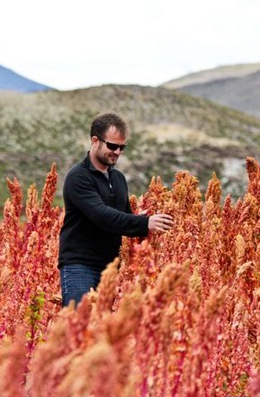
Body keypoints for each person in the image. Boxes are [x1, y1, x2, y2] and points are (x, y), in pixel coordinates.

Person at [58, 112, 174, 307]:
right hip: (80, 266)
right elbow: (102, 216)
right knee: (78, 329)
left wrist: (141, 220)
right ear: (95, 141)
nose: (118, 152)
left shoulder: (118, 178)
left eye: (122, 147)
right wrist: (145, 223)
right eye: (112, 146)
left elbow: (124, 217)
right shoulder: (78, 177)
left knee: (102, 332)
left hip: (110, 268)